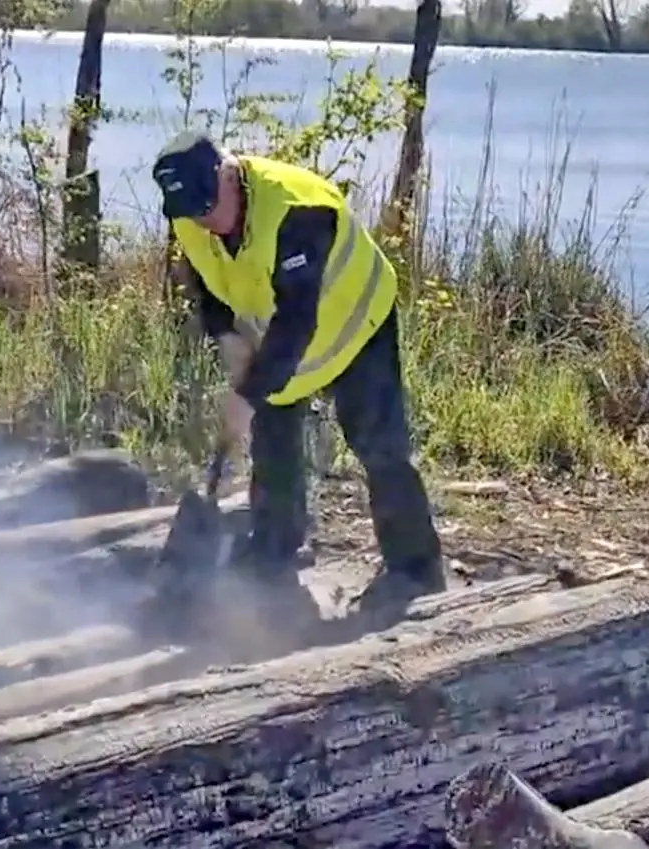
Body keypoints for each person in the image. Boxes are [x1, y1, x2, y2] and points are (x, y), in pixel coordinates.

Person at [151, 130, 446, 613]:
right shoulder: (192, 218)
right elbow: (205, 283)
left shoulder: (295, 211)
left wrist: (246, 394)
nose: (205, 219)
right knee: (274, 443)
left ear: (230, 174)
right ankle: (272, 550)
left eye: (209, 204)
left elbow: (296, 321)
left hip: (353, 323)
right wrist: (227, 337)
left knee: (378, 443)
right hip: (280, 337)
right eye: (191, 211)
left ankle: (415, 570)